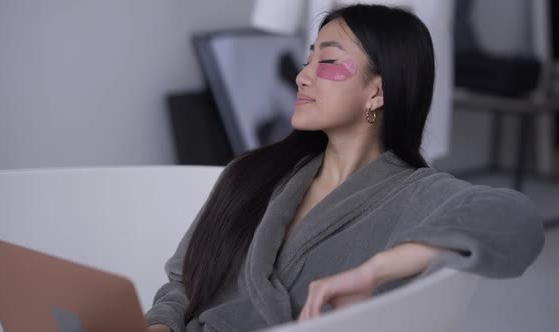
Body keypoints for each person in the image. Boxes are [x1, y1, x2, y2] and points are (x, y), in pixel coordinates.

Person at [146, 4, 545, 332]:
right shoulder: (250, 173)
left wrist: (376, 270)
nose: (301, 77)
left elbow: (517, 219)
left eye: (329, 61)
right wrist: (159, 327)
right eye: (307, 60)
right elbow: (183, 283)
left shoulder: (417, 194)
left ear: (377, 91)